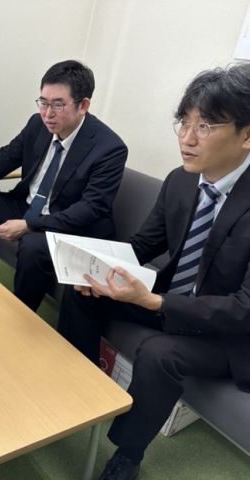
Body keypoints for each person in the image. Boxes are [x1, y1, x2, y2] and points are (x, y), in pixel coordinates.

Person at [57, 62, 250, 480]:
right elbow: (144, 244)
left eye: (205, 126)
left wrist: (156, 301)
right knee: (83, 291)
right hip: (170, 300)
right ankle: (78, 390)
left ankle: (128, 455)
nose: (187, 138)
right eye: (184, 123)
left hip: (229, 333)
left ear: (246, 135)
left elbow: (243, 309)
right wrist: (95, 266)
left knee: (160, 354)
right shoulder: (181, 181)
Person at [0, 60, 128, 311]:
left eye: (58, 105)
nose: (48, 114)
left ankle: (20, 316)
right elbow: (4, 159)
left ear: (83, 105)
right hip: (27, 205)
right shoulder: (38, 125)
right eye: (43, 102)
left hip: (69, 225)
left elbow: (90, 209)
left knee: (32, 246)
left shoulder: (109, 148)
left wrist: (28, 225)